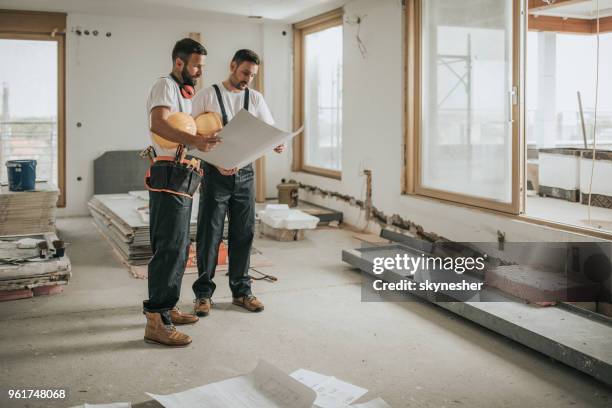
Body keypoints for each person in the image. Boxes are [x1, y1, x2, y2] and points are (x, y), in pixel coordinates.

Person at [190, 49, 284, 316]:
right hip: (214, 174)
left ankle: (242, 292)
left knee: (244, 233)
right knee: (210, 235)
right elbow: (190, 135)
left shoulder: (255, 98)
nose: (247, 80)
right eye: (244, 73)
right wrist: (215, 160)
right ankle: (203, 295)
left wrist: (277, 144)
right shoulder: (207, 95)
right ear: (232, 65)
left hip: (245, 176)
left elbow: (269, 131)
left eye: (252, 75)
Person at [142, 38, 220, 347]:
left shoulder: (184, 94)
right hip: (168, 170)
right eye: (196, 65)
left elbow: (184, 131)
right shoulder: (165, 85)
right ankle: (157, 321)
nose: (200, 71)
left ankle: (169, 307)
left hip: (183, 170)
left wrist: (202, 140)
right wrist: (197, 141)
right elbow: (158, 123)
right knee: (169, 247)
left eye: (202, 65)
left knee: (180, 246)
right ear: (179, 63)